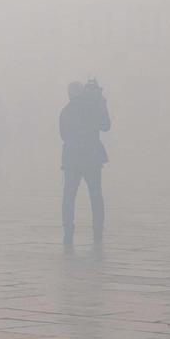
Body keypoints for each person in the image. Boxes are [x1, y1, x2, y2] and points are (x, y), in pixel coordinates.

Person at [60, 79, 111, 250]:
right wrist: (102, 103)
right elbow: (106, 125)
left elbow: (64, 135)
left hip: (72, 160)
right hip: (91, 159)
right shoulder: (92, 109)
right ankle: (97, 231)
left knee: (69, 198)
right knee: (96, 197)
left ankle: (68, 231)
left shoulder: (66, 111)